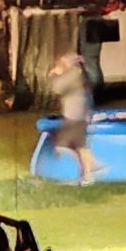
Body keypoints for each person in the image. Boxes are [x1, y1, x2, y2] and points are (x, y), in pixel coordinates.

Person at [49, 51, 100, 184]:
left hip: (75, 116)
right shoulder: (76, 73)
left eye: (64, 62)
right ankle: (89, 172)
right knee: (79, 147)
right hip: (77, 114)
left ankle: (90, 171)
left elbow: (57, 88)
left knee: (62, 145)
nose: (61, 64)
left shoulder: (74, 73)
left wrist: (54, 74)